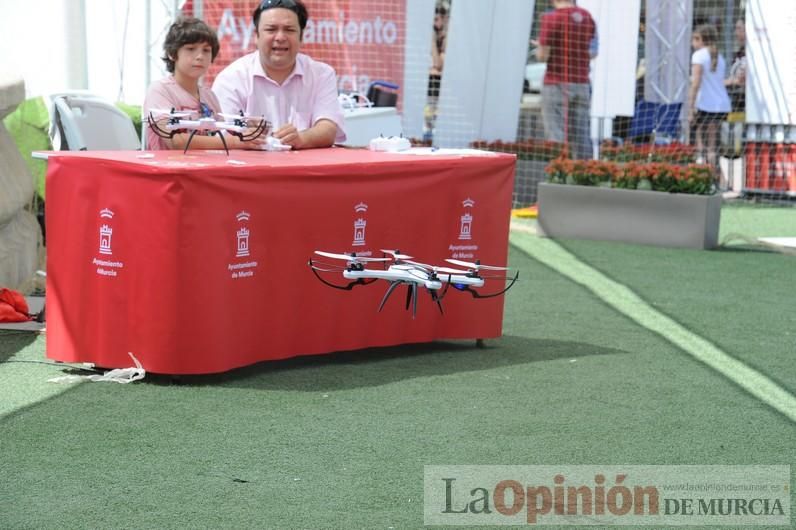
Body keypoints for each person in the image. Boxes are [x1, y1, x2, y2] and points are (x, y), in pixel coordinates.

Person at [212, 0, 345, 149]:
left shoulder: (322, 74)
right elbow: (224, 135)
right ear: (256, 36)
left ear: (301, 36)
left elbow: (328, 129)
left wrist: (302, 139)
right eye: (271, 29)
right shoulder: (230, 79)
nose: (280, 37)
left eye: (289, 30)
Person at [143, 17, 265, 151]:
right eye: (190, 49)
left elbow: (220, 136)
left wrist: (250, 131)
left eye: (206, 50)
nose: (200, 56)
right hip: (168, 170)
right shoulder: (160, 90)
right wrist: (236, 141)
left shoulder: (209, 96)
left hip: (206, 170)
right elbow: (175, 141)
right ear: (172, 54)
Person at [535, 0, 597, 160]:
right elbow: (593, 52)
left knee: (555, 132)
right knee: (581, 134)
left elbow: (543, 55)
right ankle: (584, 173)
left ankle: (557, 174)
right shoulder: (588, 17)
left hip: (556, 82)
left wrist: (539, 47)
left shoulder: (551, 18)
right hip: (582, 83)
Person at [688, 24, 731, 169]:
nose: (692, 43)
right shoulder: (719, 56)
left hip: (706, 105)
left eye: (694, 39)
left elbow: (696, 83)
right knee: (712, 146)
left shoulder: (699, 56)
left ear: (700, 39)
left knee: (704, 145)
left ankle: (707, 176)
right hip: (721, 105)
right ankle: (714, 176)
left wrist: (690, 107)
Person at [424, 3, 448, 141]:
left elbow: (439, 64)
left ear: (444, 18)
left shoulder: (444, 37)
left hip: (437, 83)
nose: (434, 23)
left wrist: (432, 41)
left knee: (434, 114)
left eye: (437, 19)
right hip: (428, 82)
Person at [724, 19, 746, 114]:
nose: (736, 33)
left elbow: (741, 80)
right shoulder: (739, 54)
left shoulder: (754, 54)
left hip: (748, 104)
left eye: (739, 29)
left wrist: (719, 83)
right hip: (737, 101)